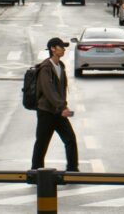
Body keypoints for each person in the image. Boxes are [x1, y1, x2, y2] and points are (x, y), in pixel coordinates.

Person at [31, 37, 79, 172]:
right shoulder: (46, 67)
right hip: (46, 111)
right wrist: (61, 106)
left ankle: (72, 169)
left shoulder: (60, 66)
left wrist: (63, 106)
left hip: (58, 111)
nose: (64, 49)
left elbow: (60, 89)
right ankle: (36, 171)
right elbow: (48, 90)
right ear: (53, 49)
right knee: (42, 142)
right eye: (61, 47)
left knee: (70, 139)